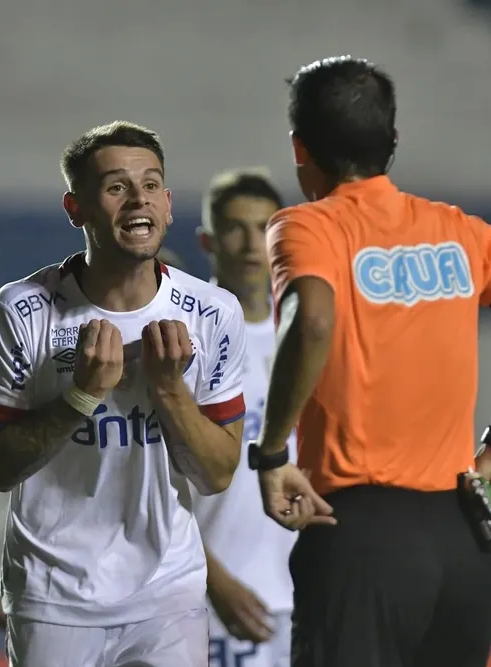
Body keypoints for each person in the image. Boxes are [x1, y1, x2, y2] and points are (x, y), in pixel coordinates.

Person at [251, 56, 491, 667]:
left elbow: (311, 322)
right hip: (461, 537)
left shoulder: (307, 227)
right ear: (393, 141)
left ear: (298, 148)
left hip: (359, 532)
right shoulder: (458, 231)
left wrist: (272, 451)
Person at [0, 121, 264, 667]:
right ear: (75, 208)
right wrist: (81, 396)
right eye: (116, 187)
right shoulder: (23, 310)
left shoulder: (212, 314)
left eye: (151, 185)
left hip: (168, 591)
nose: (138, 200)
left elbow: (217, 473)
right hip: (54, 594)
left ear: (170, 204)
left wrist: (169, 390)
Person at [193, 169, 295, 667]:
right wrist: (215, 580)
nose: (254, 244)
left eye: (267, 227)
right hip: (218, 600)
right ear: (208, 241)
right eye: (236, 228)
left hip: (306, 594)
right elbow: (151, 484)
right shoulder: (183, 342)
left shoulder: (307, 335)